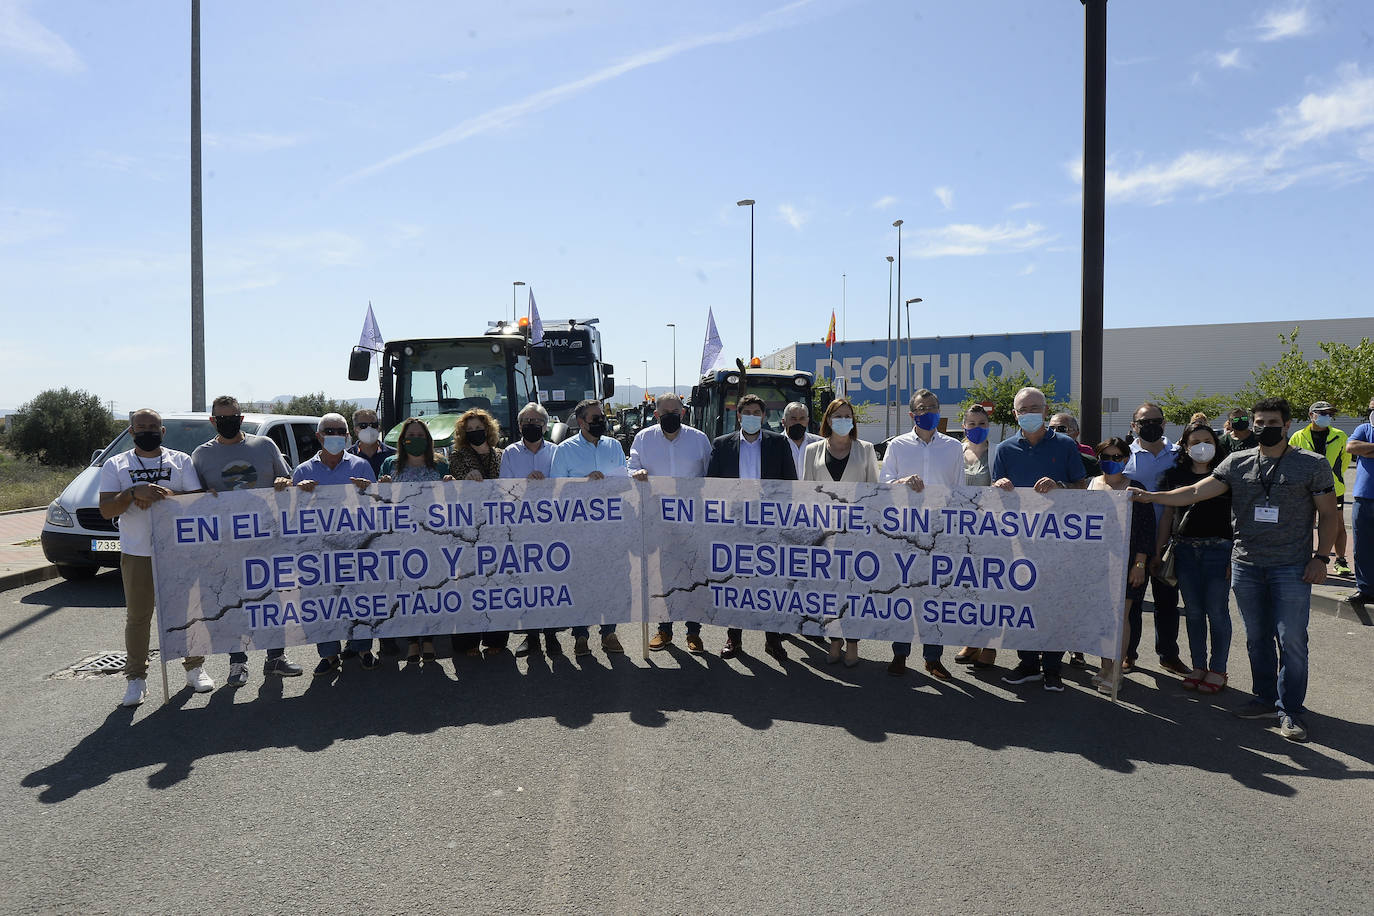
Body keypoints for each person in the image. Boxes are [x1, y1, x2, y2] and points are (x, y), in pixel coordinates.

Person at [1132, 397, 1339, 743]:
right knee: (1257, 638)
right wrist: (1152, 498)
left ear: (1287, 426)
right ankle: (1264, 698)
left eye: (1273, 422)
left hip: (1291, 566)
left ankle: (1291, 710)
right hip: (1246, 564)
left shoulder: (1312, 464)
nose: (1264, 428)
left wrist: (1321, 558)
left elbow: (1330, 515)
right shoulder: (1237, 462)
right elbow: (1197, 491)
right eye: (1259, 422)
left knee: (1291, 638)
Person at [99, 409, 213, 706]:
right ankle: (136, 678)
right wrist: (132, 493)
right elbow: (107, 509)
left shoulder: (181, 460)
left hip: (178, 550)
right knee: (138, 617)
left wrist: (161, 496)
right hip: (137, 551)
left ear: (162, 432)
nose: (147, 431)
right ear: (131, 431)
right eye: (141, 427)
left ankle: (194, 667)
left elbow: (196, 502)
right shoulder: (116, 464)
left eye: (153, 427)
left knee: (187, 611)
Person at [192, 395, 303, 686]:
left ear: (240, 419)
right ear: (212, 420)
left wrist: (284, 483)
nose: (226, 422)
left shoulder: (264, 446)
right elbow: (191, 500)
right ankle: (237, 663)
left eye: (232, 417)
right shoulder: (201, 455)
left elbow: (288, 482)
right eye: (221, 418)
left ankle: (276, 658)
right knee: (233, 603)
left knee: (272, 600)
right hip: (226, 544)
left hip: (266, 539)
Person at [991, 386, 1087, 693]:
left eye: (1035, 408)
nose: (1029, 414)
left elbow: (1082, 488)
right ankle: (1029, 663)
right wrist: (999, 485)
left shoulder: (1065, 445)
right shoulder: (1005, 449)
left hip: (1058, 542)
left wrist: (1059, 486)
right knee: (1024, 605)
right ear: (1015, 413)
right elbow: (995, 497)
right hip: (1020, 542)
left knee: (1054, 604)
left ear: (1045, 411)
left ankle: (1053, 668)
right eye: (1023, 409)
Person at [879, 389, 963, 679]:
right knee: (904, 594)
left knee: (934, 597)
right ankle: (900, 654)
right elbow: (884, 483)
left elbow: (959, 491)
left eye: (933, 407)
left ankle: (933, 657)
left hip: (939, 532)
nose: (928, 411)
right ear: (911, 414)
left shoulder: (953, 447)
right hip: (905, 531)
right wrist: (901, 481)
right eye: (922, 408)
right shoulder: (898, 446)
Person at [707, 393, 798, 660]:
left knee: (769, 583)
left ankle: (772, 640)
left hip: (768, 524)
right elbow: (712, 485)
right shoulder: (722, 445)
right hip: (734, 525)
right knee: (735, 584)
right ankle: (733, 639)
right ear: (739, 416)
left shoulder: (779, 443)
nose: (751, 417)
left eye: (756, 412)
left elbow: (789, 485)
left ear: (763, 416)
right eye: (746, 412)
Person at [291, 413, 377, 676]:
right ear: (319, 436)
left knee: (359, 597)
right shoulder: (303, 471)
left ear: (347, 436)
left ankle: (363, 648)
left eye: (341, 431)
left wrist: (368, 490)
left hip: (355, 546)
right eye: (330, 430)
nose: (336, 435)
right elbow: (292, 514)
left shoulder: (361, 466)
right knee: (321, 601)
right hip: (319, 550)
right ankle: (329, 655)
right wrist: (298, 493)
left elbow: (377, 506)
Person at [630, 393, 712, 653]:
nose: (670, 416)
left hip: (692, 522)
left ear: (683, 412)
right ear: (656, 415)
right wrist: (636, 474)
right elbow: (629, 468)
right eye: (664, 413)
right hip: (658, 521)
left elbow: (713, 477)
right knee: (662, 577)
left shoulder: (699, 440)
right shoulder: (643, 439)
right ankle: (664, 630)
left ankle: (693, 632)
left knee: (693, 576)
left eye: (674, 411)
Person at [801, 398, 879, 667]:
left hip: (856, 533)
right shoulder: (812, 450)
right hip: (824, 533)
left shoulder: (866, 450)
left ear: (853, 421)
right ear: (829, 420)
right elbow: (806, 492)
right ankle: (834, 639)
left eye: (848, 415)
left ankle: (853, 642)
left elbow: (874, 493)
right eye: (838, 415)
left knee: (854, 590)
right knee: (829, 590)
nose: (843, 420)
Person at [1157, 422, 1233, 695]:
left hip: (1219, 550)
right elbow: (1167, 515)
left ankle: (1218, 669)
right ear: (1186, 447)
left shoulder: (1227, 474)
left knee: (1217, 612)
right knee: (1193, 613)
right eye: (1196, 441)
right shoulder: (1173, 475)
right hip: (1185, 551)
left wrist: (1234, 557)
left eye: (1208, 440)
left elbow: (1240, 517)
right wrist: (1158, 551)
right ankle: (1198, 666)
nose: (1202, 446)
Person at [551, 399, 630, 657]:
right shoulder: (564, 450)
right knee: (581, 583)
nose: (601, 422)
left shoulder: (615, 446)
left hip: (611, 529)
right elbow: (556, 490)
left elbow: (623, 484)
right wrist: (584, 484)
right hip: (579, 530)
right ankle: (581, 635)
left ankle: (609, 632)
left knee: (611, 581)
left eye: (602, 417)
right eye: (595, 418)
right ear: (581, 422)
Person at [378, 418, 453, 663]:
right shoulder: (390, 464)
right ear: (402, 439)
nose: (416, 439)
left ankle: (429, 639)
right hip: (401, 539)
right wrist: (382, 487)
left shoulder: (441, 465)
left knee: (430, 590)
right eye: (411, 435)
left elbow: (449, 500)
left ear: (428, 440)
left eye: (421, 435)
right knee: (406, 591)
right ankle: (411, 641)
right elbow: (380, 501)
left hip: (432, 537)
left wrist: (451, 486)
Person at [1123, 402, 1190, 677]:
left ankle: (1168, 655)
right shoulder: (1124, 455)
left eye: (1155, 420)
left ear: (1164, 423)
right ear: (1133, 426)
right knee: (1132, 603)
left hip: (1168, 542)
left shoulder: (1179, 455)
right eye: (1143, 421)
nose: (1150, 425)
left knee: (1167, 602)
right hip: (1132, 540)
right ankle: (1128, 654)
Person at [1087, 437, 1154, 694]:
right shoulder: (1092, 485)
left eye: (1117, 457)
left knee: (1119, 617)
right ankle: (1104, 666)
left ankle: (1116, 671)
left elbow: (1147, 530)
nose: (1111, 462)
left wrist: (1140, 564)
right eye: (1106, 457)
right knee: (1102, 617)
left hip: (1128, 562)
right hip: (1098, 561)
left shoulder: (1135, 488)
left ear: (1126, 459)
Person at [501, 403, 563, 658]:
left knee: (550, 582)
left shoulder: (558, 452)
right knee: (527, 584)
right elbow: (504, 489)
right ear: (519, 425)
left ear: (545, 426)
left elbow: (564, 486)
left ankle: (552, 636)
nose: (532, 425)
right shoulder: (510, 453)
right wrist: (525, 486)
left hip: (551, 527)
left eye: (537, 422)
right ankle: (531, 636)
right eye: (526, 421)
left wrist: (546, 486)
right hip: (522, 526)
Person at [449, 408, 509, 657]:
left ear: (489, 429)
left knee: (497, 583)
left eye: (479, 428)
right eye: (470, 430)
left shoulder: (503, 455)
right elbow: (458, 477)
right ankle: (467, 641)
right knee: (468, 584)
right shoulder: (458, 456)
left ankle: (495, 639)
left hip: (497, 528)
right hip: (468, 530)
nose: (475, 433)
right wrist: (466, 477)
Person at [953, 404, 997, 669]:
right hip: (959, 532)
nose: (977, 429)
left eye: (982, 424)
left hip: (990, 533)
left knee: (989, 591)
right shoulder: (953, 452)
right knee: (965, 590)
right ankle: (971, 641)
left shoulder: (998, 452)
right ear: (964, 425)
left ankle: (990, 647)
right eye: (972, 424)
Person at [1290, 401, 1353, 576]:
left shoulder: (1340, 436)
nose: (1327, 417)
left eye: (1329, 414)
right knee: (1305, 524)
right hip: (1304, 489)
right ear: (1311, 415)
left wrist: (1332, 477)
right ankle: (1303, 558)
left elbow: (1345, 462)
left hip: (1333, 489)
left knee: (1337, 524)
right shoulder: (1298, 436)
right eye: (1322, 413)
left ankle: (1340, 561)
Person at [1345, 396, 1374, 603]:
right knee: (1362, 547)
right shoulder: (1364, 428)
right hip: (1363, 499)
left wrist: (1368, 449)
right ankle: (1365, 589)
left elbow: (1360, 449)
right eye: (1372, 408)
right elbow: (1352, 447)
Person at [348, 406, 395, 478]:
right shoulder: (346, 457)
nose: (369, 429)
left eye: (373, 425)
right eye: (363, 426)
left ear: (379, 428)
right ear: (355, 430)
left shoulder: (394, 456)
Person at [1049, 412, 1101, 478]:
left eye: (1062, 429)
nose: (1055, 432)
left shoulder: (1087, 455)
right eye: (1051, 429)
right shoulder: (1042, 452)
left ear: (1076, 433)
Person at [781, 400, 823, 479]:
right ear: (784, 422)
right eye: (793, 419)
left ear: (807, 421)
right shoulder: (775, 444)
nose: (798, 422)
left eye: (802, 419)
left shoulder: (820, 444)